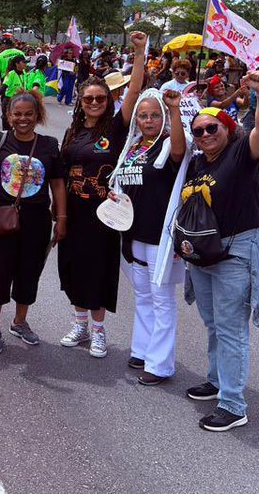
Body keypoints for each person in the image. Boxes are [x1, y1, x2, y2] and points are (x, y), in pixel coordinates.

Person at [180, 70, 259, 432]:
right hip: (203, 252)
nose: (205, 135)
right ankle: (217, 379)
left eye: (212, 128)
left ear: (227, 129)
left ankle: (233, 404)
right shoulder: (197, 162)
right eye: (199, 131)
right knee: (213, 323)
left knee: (231, 328)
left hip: (236, 252)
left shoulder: (241, 152)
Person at [56, 34, 147, 359]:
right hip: (73, 213)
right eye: (88, 99)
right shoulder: (72, 132)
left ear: (109, 101)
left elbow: (134, 92)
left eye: (100, 98)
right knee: (73, 269)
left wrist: (139, 53)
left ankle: (98, 331)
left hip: (103, 215)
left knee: (97, 272)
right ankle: (79, 325)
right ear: (80, 102)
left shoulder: (116, 127)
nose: (94, 103)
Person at [0, 92, 67, 354]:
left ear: (37, 115)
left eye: (28, 114)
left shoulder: (50, 145)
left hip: (36, 220)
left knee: (29, 272)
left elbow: (58, 184)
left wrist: (61, 217)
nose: (23, 119)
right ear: (8, 116)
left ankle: (19, 322)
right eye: (17, 114)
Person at [109, 86, 187, 385]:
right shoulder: (132, 147)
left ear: (163, 118)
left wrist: (176, 111)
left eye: (155, 115)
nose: (149, 120)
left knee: (162, 300)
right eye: (143, 115)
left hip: (159, 236)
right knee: (142, 295)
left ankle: (160, 365)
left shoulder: (169, 144)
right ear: (136, 120)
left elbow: (180, 152)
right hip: (132, 233)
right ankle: (142, 350)